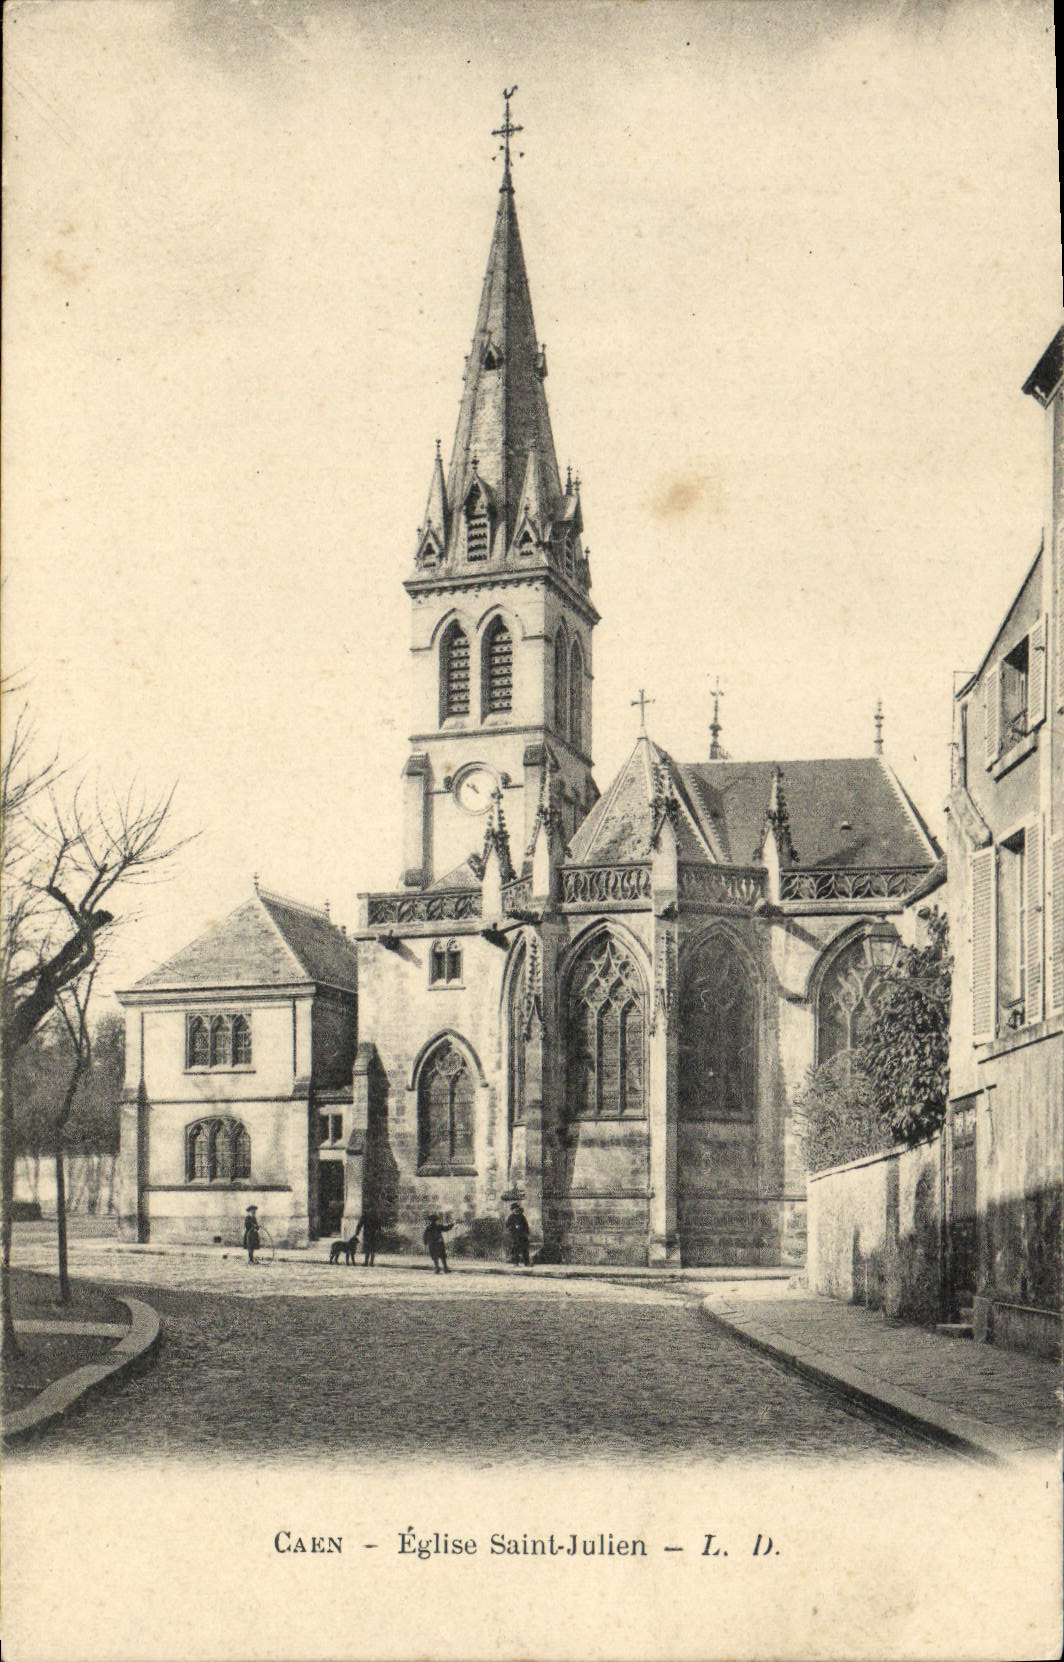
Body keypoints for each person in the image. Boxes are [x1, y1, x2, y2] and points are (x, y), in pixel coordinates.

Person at [504, 1200, 531, 1267]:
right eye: (514, 1209)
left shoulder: (522, 1216)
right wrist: (514, 1227)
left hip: (522, 1236)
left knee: (525, 1249)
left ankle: (526, 1263)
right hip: (515, 1236)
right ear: (512, 1210)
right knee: (516, 1250)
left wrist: (527, 1233)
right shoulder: (511, 1217)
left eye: (517, 1208)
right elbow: (507, 1225)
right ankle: (516, 1263)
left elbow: (526, 1225)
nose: (516, 1210)